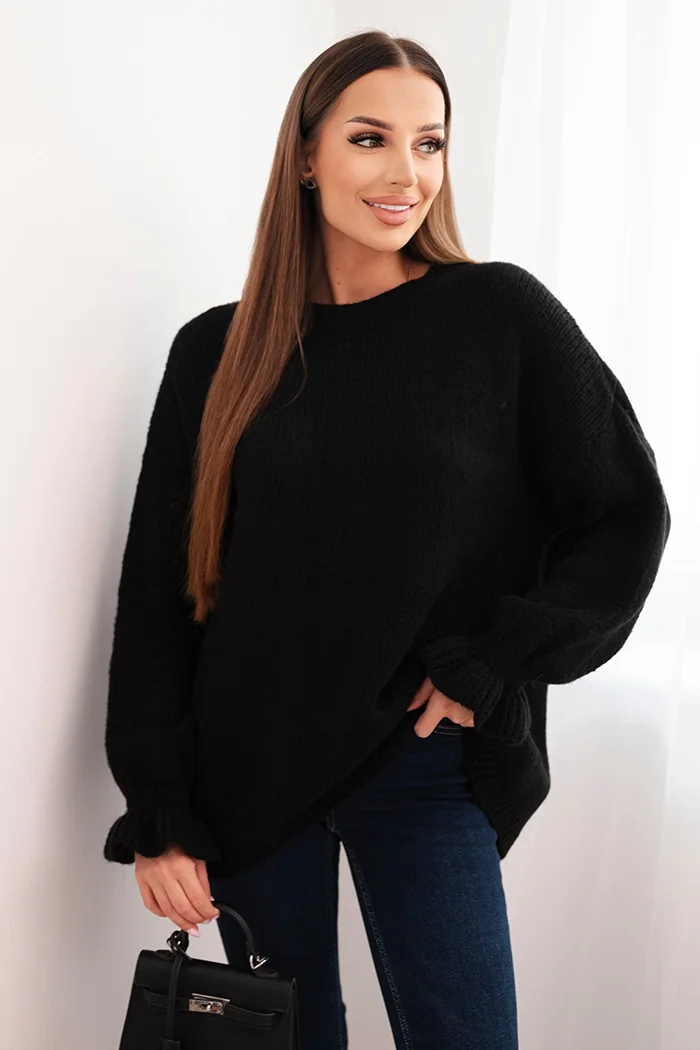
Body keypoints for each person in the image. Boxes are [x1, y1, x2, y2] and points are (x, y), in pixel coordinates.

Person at [101, 30, 671, 1050]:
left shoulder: (499, 316)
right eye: (371, 138)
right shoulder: (217, 351)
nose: (406, 172)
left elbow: (625, 512)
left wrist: (496, 657)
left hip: (424, 764)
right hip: (247, 775)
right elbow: (160, 596)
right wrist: (160, 812)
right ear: (306, 155)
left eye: (429, 142)